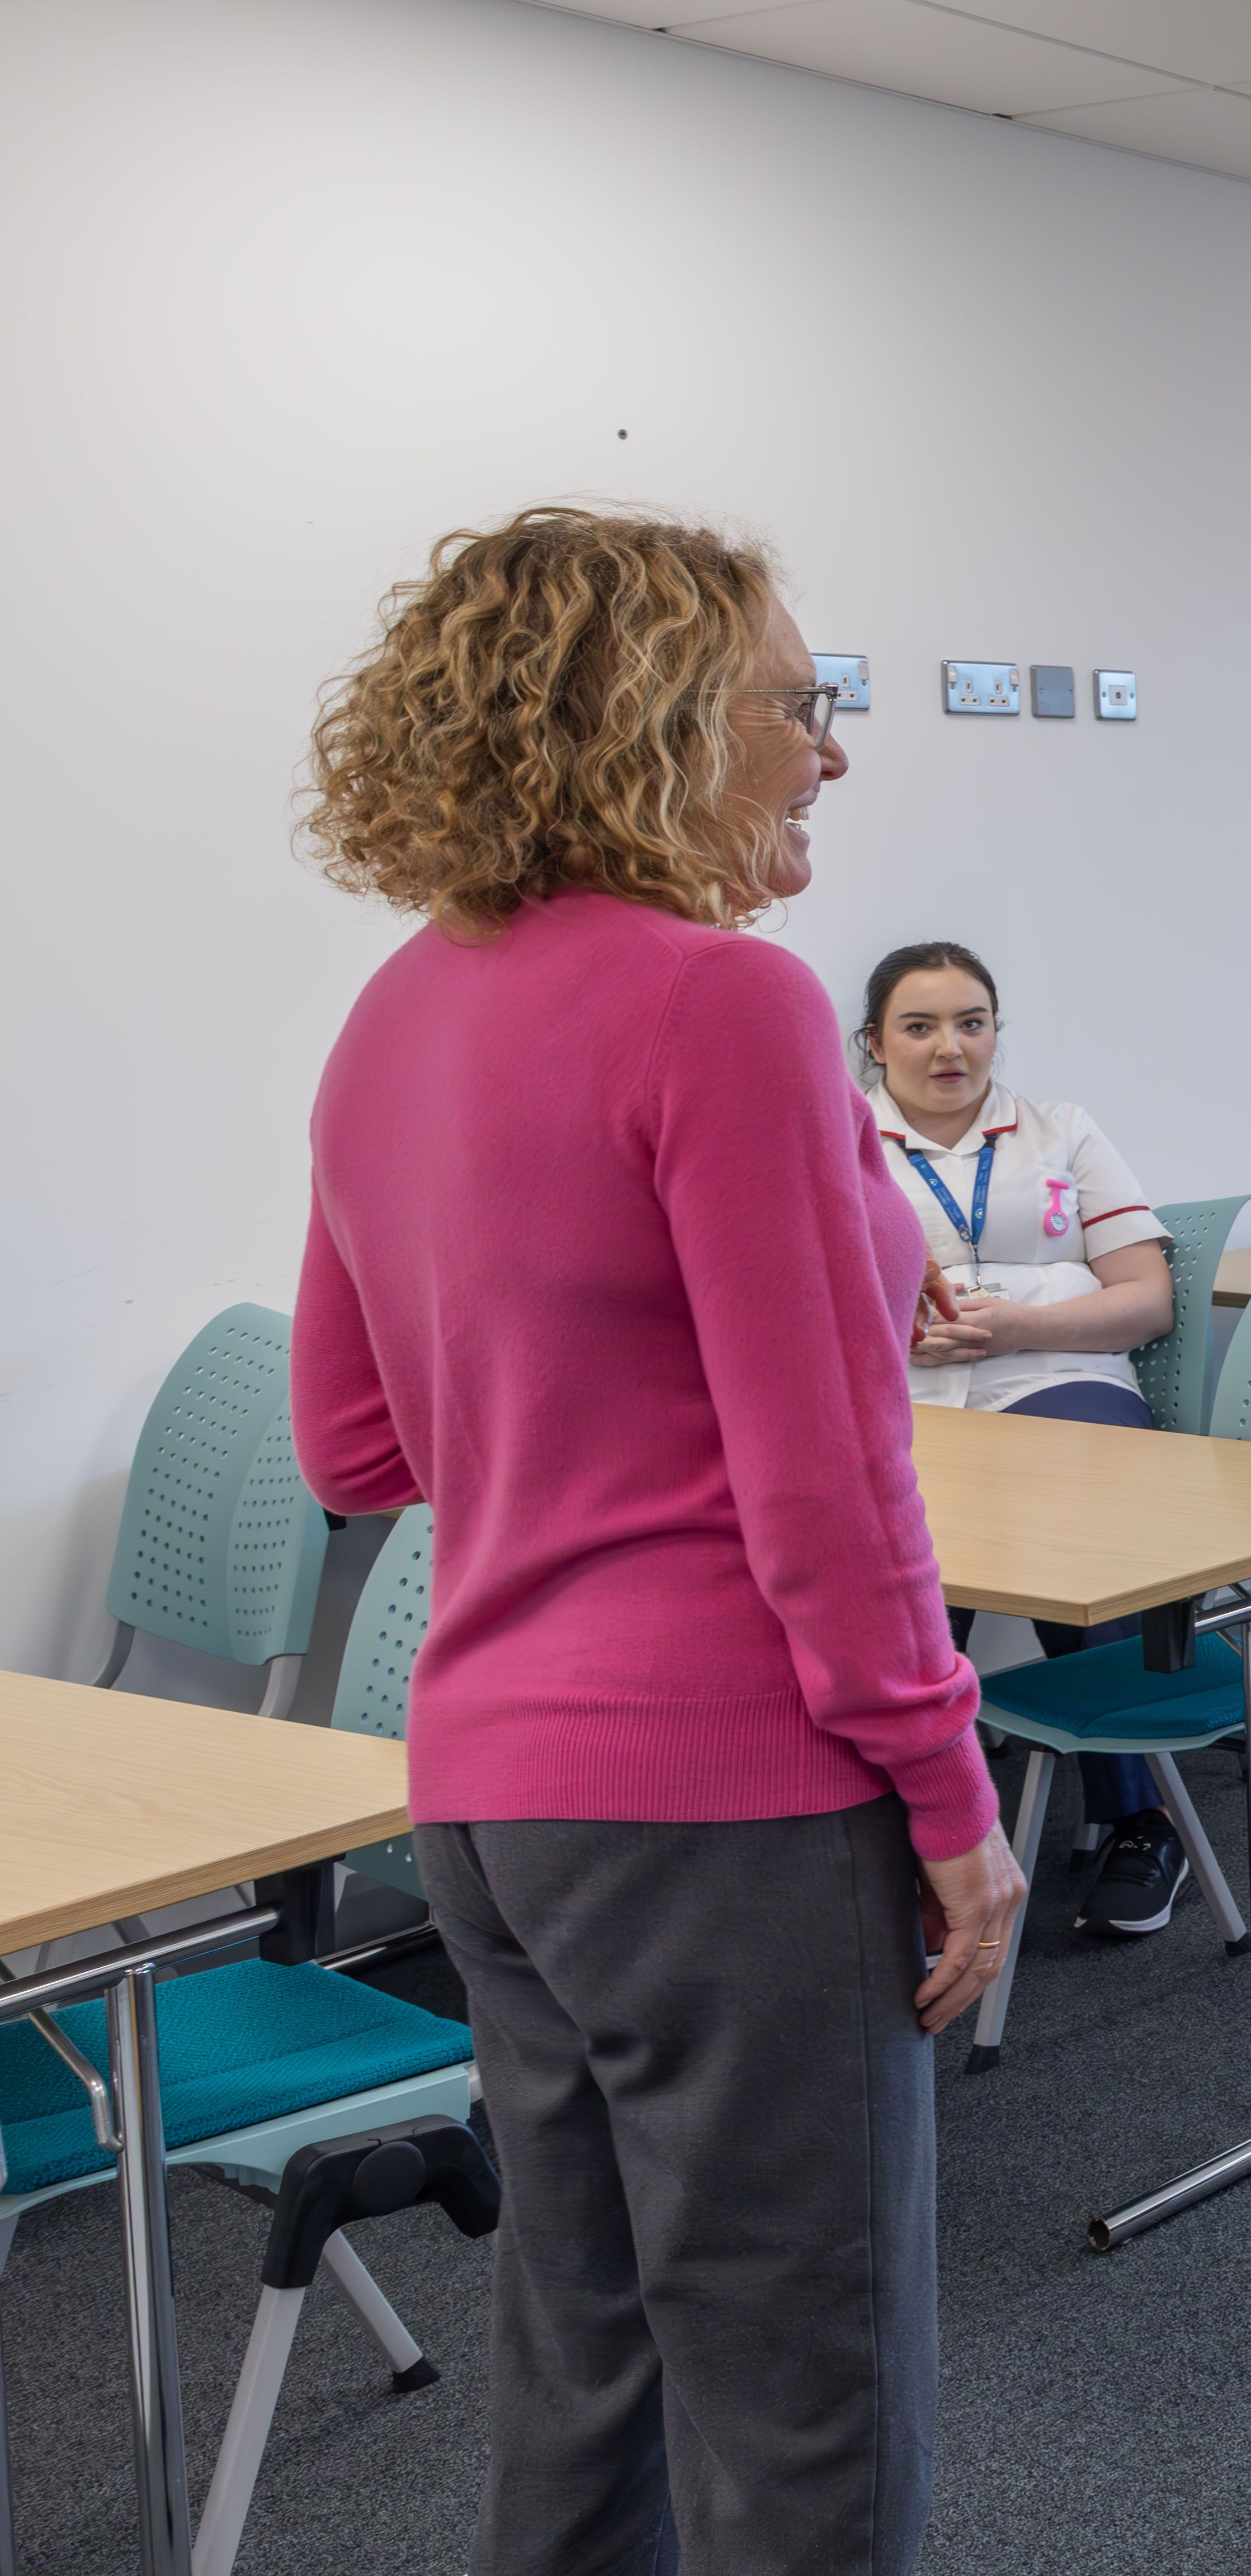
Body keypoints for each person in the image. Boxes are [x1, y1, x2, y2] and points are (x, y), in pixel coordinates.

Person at [290, 508, 1021, 2574]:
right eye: (804, 704)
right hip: (728, 1803)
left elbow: (349, 1434)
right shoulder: (731, 1006)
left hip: (492, 1803)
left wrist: (557, 1435)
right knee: (811, 2400)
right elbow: (825, 1485)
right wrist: (952, 1795)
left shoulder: (396, 1011)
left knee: (582, 2359)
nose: (832, 752)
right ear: (663, 720)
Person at [858, 940, 1195, 1934]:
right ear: (874, 1044)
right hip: (907, 1400)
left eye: (972, 1021)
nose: (950, 1046)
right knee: (901, 1595)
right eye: (918, 1025)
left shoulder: (1065, 1132)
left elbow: (1146, 1300)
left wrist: (1021, 1323)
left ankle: (1141, 1815)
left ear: (998, 1031)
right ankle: (917, 1842)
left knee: (1077, 1547)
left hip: (1060, 1379)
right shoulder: (830, 1142)